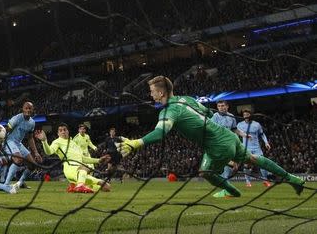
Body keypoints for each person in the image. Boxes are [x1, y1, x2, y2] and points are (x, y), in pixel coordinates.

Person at [116, 76, 304, 198]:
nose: (150, 94)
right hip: (229, 137)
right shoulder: (187, 99)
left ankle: (232, 191)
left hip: (217, 145)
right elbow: (207, 112)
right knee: (253, 158)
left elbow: (160, 133)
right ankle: (293, 179)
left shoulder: (169, 111)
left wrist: (136, 142)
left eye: (152, 91)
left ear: (161, 92)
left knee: (205, 172)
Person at [35, 123, 111, 193]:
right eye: (60, 130)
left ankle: (75, 186)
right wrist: (44, 141)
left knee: (106, 186)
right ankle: (80, 186)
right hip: (70, 168)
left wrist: (99, 160)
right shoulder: (57, 142)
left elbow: (83, 158)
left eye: (64, 129)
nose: (63, 132)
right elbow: (49, 152)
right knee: (84, 167)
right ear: (58, 133)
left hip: (80, 171)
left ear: (68, 131)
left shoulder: (74, 143)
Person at [210, 100, 248, 197]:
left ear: (227, 107)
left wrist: (244, 134)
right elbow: (211, 130)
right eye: (219, 106)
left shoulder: (231, 117)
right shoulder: (215, 117)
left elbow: (234, 130)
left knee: (225, 167)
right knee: (222, 166)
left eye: (223, 106)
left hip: (229, 143)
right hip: (219, 143)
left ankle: (226, 189)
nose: (221, 108)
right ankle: (232, 165)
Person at [3, 102, 42, 189]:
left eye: (30, 108)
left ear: (33, 110)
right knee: (18, 159)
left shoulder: (32, 122)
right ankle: (6, 185)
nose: (28, 110)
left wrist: (36, 152)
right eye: (26, 108)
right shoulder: (16, 119)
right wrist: (0, 145)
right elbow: (6, 131)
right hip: (9, 141)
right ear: (23, 109)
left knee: (32, 165)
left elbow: (30, 138)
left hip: (18, 143)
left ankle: (19, 184)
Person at [237, 110, 272, 187]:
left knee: (263, 164)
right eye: (244, 115)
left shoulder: (257, 124)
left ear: (251, 115)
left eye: (247, 114)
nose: (246, 116)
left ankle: (265, 180)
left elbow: (262, 134)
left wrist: (266, 142)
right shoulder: (240, 125)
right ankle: (248, 182)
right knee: (247, 165)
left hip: (256, 148)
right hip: (246, 148)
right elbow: (236, 134)